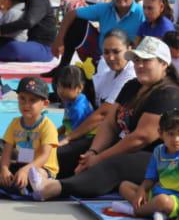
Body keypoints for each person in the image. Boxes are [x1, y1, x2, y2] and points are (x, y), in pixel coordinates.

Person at [32, 36, 179, 201]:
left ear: (164, 64)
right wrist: (92, 152)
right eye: (137, 60)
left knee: (115, 162)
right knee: (77, 150)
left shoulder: (169, 94)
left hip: (163, 159)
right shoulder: (132, 85)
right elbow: (109, 123)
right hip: (126, 145)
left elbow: (141, 138)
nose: (139, 65)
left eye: (146, 61)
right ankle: (25, 168)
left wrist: (99, 158)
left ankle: (55, 188)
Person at [56, 29, 134, 169]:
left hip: (111, 138)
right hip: (94, 131)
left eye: (116, 52)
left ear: (129, 49)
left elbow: (103, 114)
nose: (110, 57)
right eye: (106, 52)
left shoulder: (130, 75)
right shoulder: (108, 73)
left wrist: (70, 137)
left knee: (55, 153)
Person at [117, 109, 179, 220]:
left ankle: (135, 211)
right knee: (124, 186)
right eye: (171, 134)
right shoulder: (158, 151)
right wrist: (142, 191)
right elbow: (150, 178)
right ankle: (154, 211)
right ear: (160, 133)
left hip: (176, 200)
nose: (176, 139)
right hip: (157, 192)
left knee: (162, 201)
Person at [0, 77, 58, 193]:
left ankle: (23, 184)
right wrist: (4, 169)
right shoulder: (15, 123)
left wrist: (26, 170)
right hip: (21, 165)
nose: (26, 104)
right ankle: (17, 185)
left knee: (37, 175)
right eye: (22, 99)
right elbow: (7, 151)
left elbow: (44, 157)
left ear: (45, 104)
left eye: (32, 100)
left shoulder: (47, 126)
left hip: (41, 168)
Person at [55, 66, 94, 136]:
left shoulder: (78, 109)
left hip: (83, 137)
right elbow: (68, 122)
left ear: (79, 88)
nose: (61, 90)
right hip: (72, 131)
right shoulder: (70, 99)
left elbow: (76, 134)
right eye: (58, 86)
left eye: (66, 86)